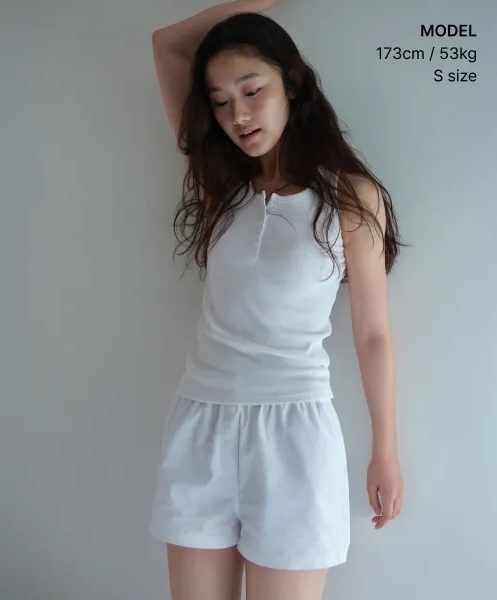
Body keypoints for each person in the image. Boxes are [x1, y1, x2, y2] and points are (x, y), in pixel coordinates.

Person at [149, 1, 405, 599]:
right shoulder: (219, 185)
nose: (237, 114)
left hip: (295, 434)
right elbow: (167, 45)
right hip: (200, 426)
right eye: (219, 101)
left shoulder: (350, 197)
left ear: (291, 83)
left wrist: (385, 451)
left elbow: (372, 334)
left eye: (252, 89)